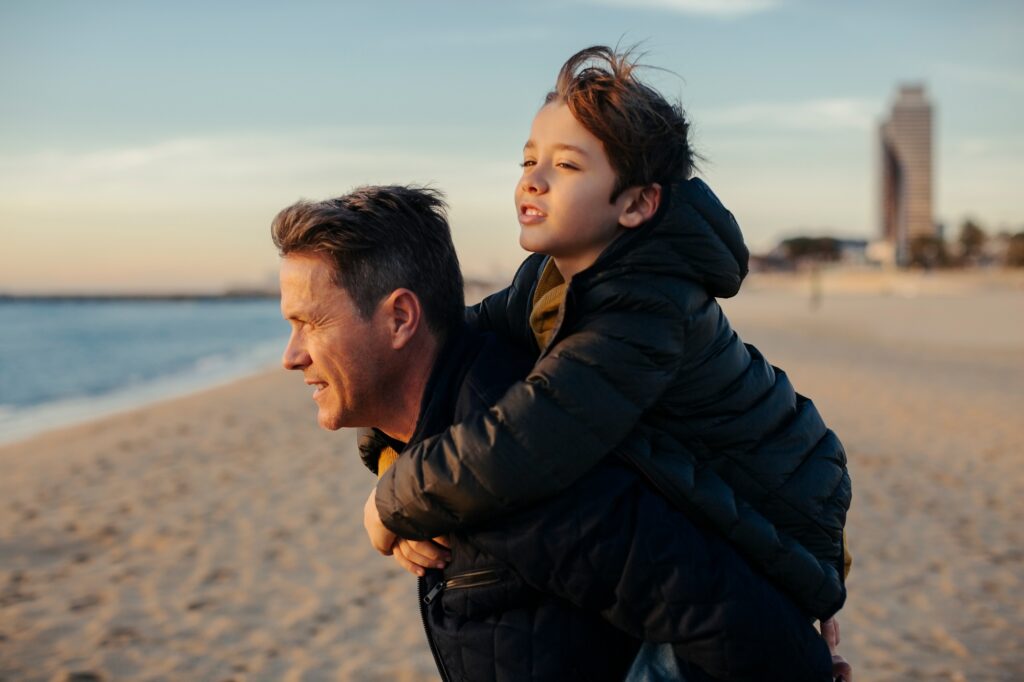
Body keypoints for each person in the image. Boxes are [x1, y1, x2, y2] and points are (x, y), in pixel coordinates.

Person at [362, 46, 853, 678]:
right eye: (529, 160)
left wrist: (394, 500)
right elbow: (447, 350)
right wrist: (387, 448)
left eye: (566, 165)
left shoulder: (645, 304)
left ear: (637, 204)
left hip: (778, 514)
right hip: (710, 498)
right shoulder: (547, 279)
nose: (533, 180)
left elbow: (533, 437)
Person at [273, 185, 836, 681]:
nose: (290, 356)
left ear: (400, 318)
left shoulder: (510, 469)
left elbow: (719, 608)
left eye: (310, 323)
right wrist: (394, 480)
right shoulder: (457, 429)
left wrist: (804, 667)